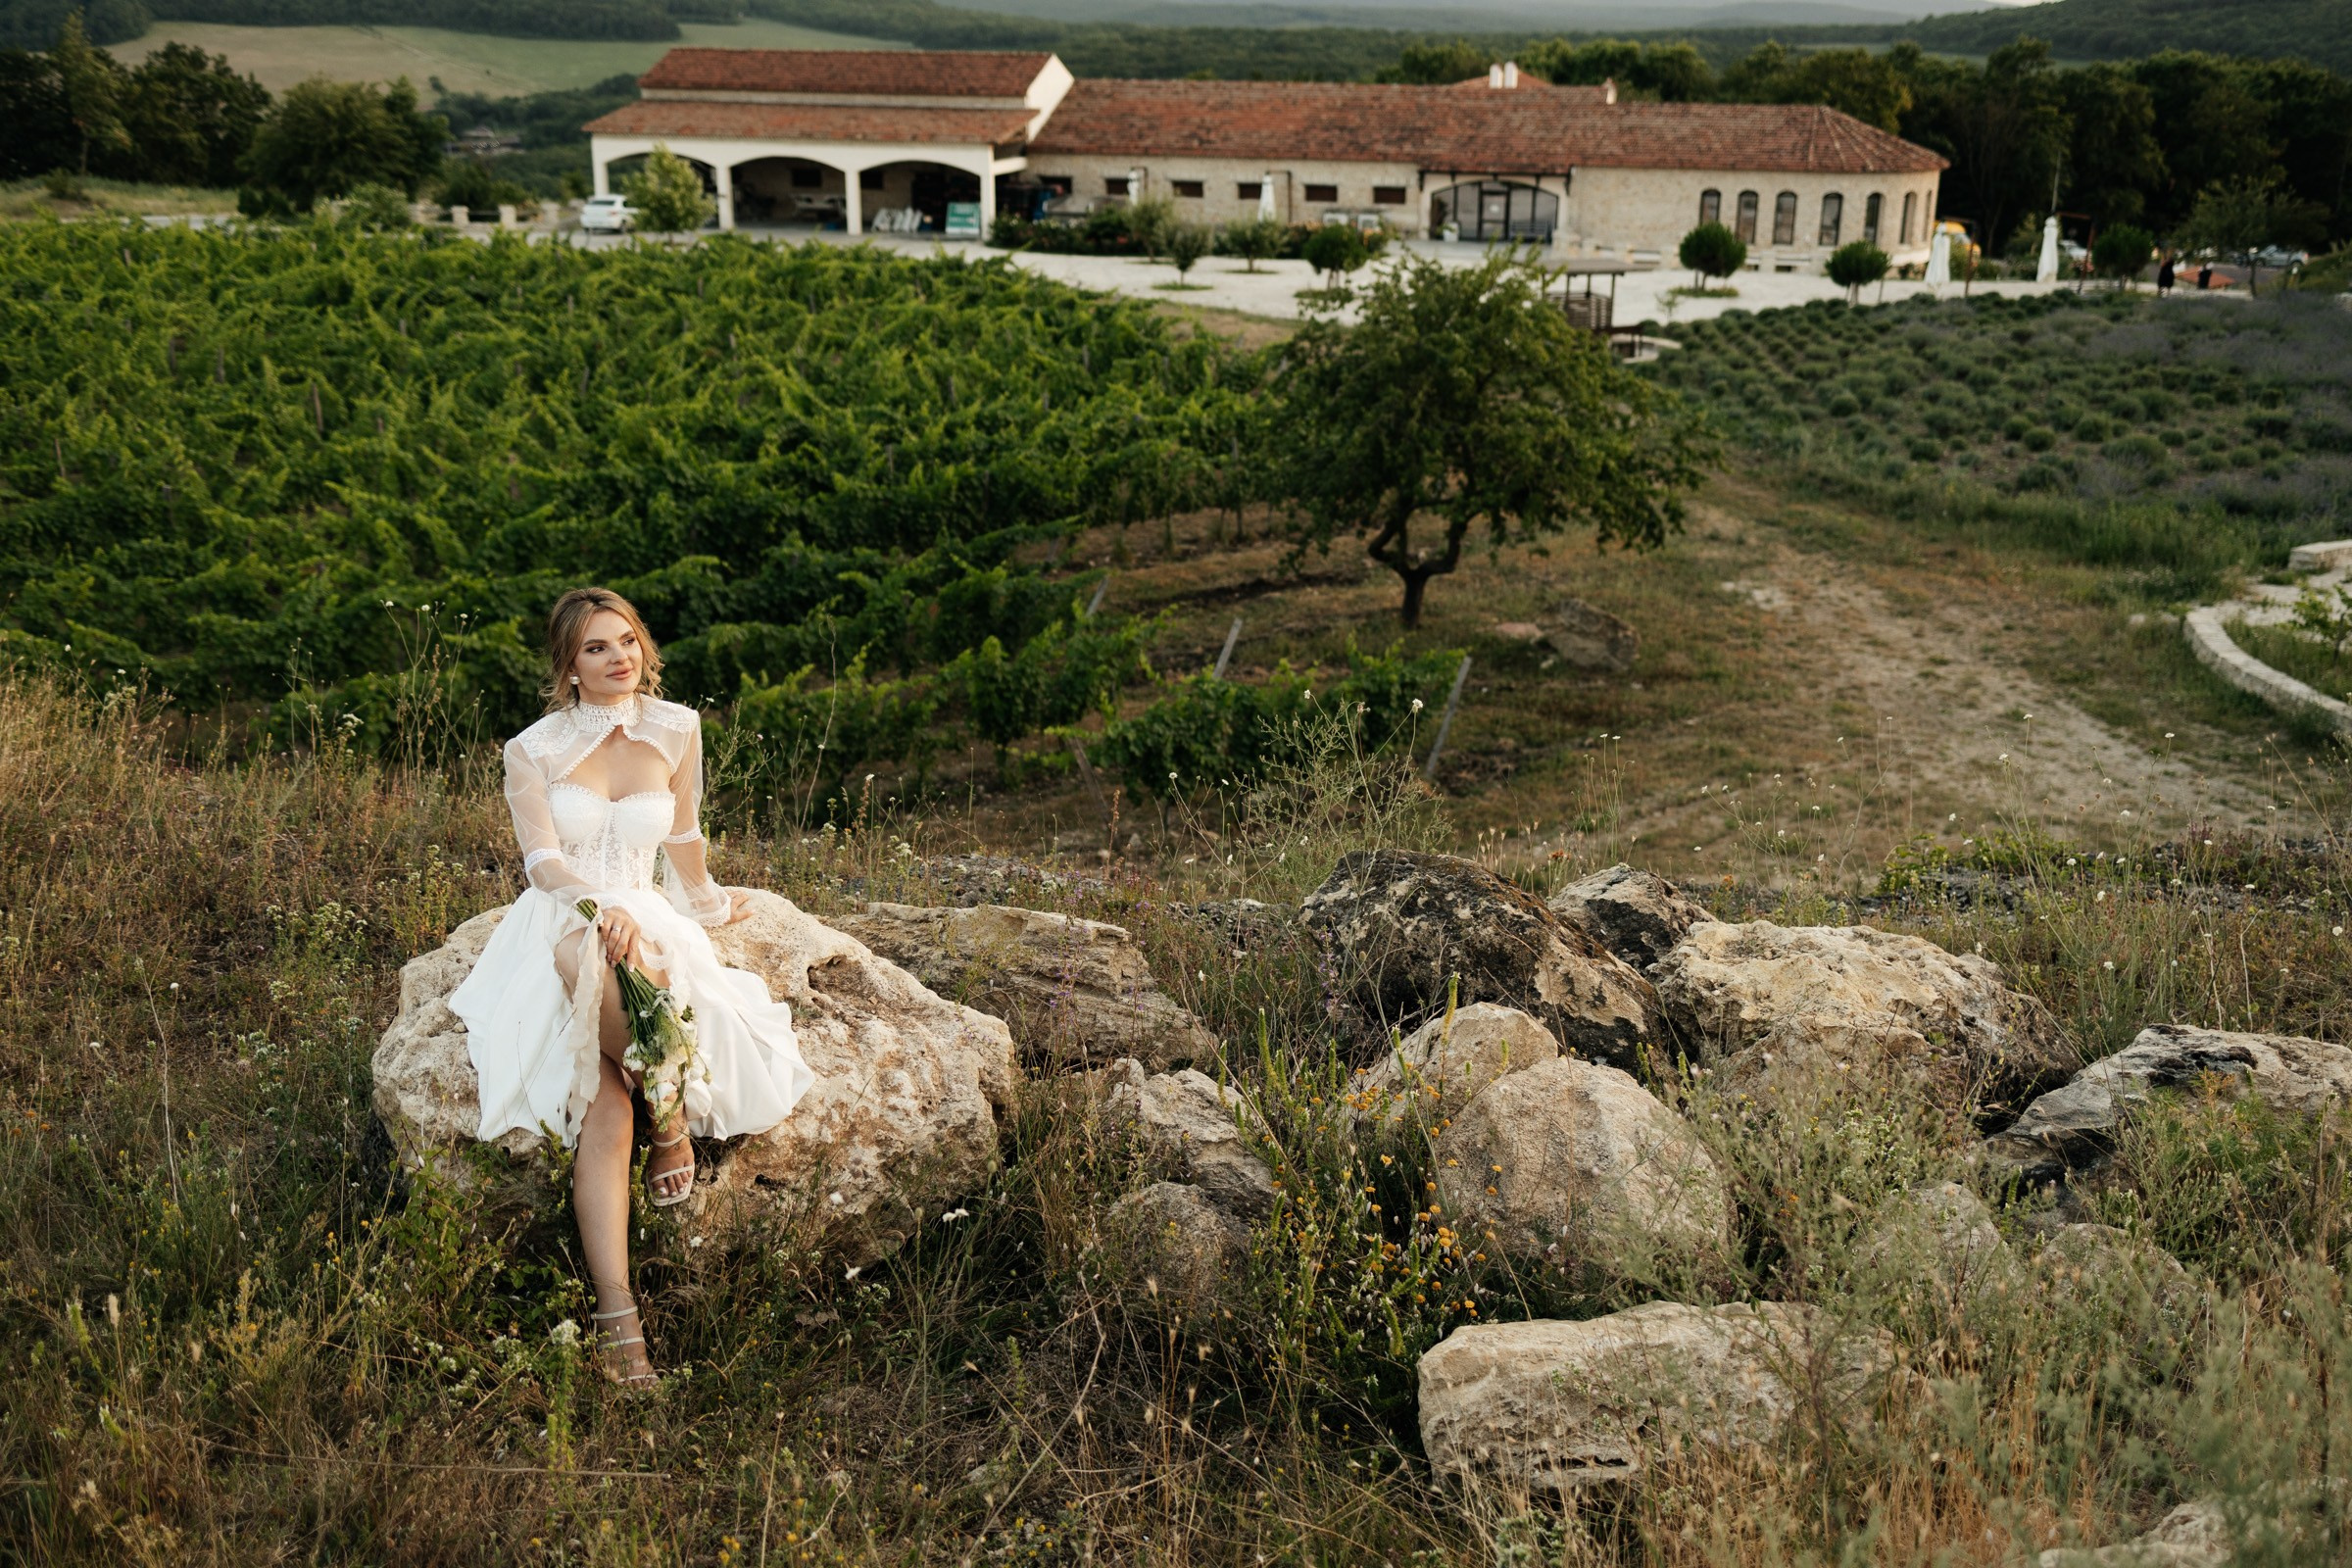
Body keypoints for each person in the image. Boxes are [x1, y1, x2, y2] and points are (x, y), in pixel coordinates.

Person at [450, 587, 814, 1388]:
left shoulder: (676, 727)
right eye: (595, 649)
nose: (618, 658)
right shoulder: (533, 749)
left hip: (647, 915)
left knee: (607, 1105)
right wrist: (599, 907)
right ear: (568, 668)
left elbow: (681, 832)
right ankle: (670, 1114)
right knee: (593, 956)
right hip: (563, 914)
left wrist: (712, 902)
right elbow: (542, 862)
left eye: (626, 641)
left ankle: (619, 1320)